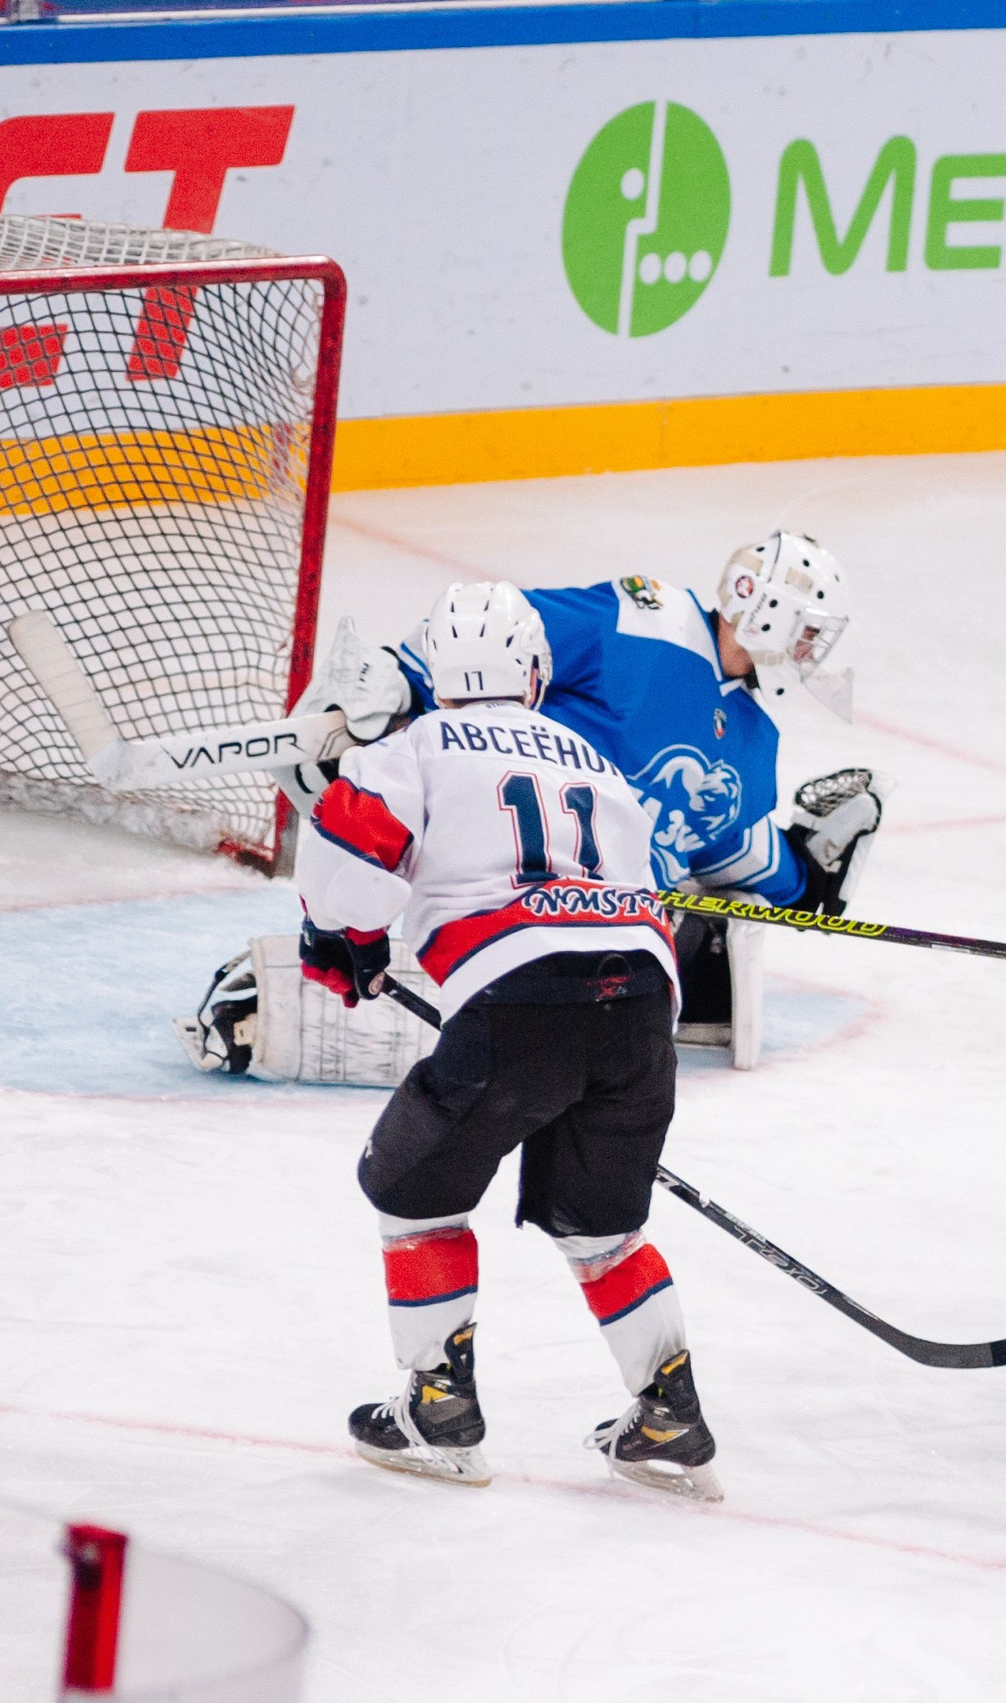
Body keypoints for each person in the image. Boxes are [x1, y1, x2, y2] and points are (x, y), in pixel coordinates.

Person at [297, 581, 723, 1497]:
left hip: (519, 1002)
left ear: (434, 673)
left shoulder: (411, 746)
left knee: (412, 1190)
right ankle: (668, 1413)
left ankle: (436, 1408)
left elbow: (349, 877)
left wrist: (346, 940)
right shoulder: (595, 758)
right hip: (645, 1004)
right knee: (602, 1223)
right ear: (535, 675)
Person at [281, 531, 886, 1068]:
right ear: (766, 610)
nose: (811, 650)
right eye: (807, 632)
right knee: (333, 992)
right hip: (501, 896)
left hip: (612, 947)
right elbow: (501, 634)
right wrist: (396, 678)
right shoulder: (651, 621)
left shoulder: (755, 740)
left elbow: (730, 846)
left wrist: (806, 880)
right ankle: (267, 1001)